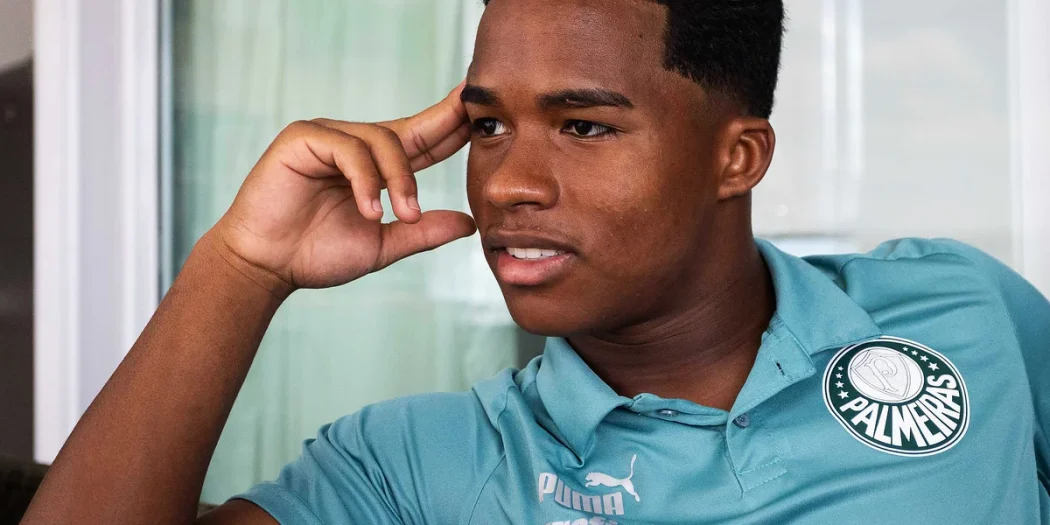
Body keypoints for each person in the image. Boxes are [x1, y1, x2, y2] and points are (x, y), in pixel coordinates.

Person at [22, 1, 1050, 524]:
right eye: (488, 127)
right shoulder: (421, 467)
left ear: (737, 157)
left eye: (584, 127)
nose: (508, 181)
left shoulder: (960, 311)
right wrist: (241, 266)